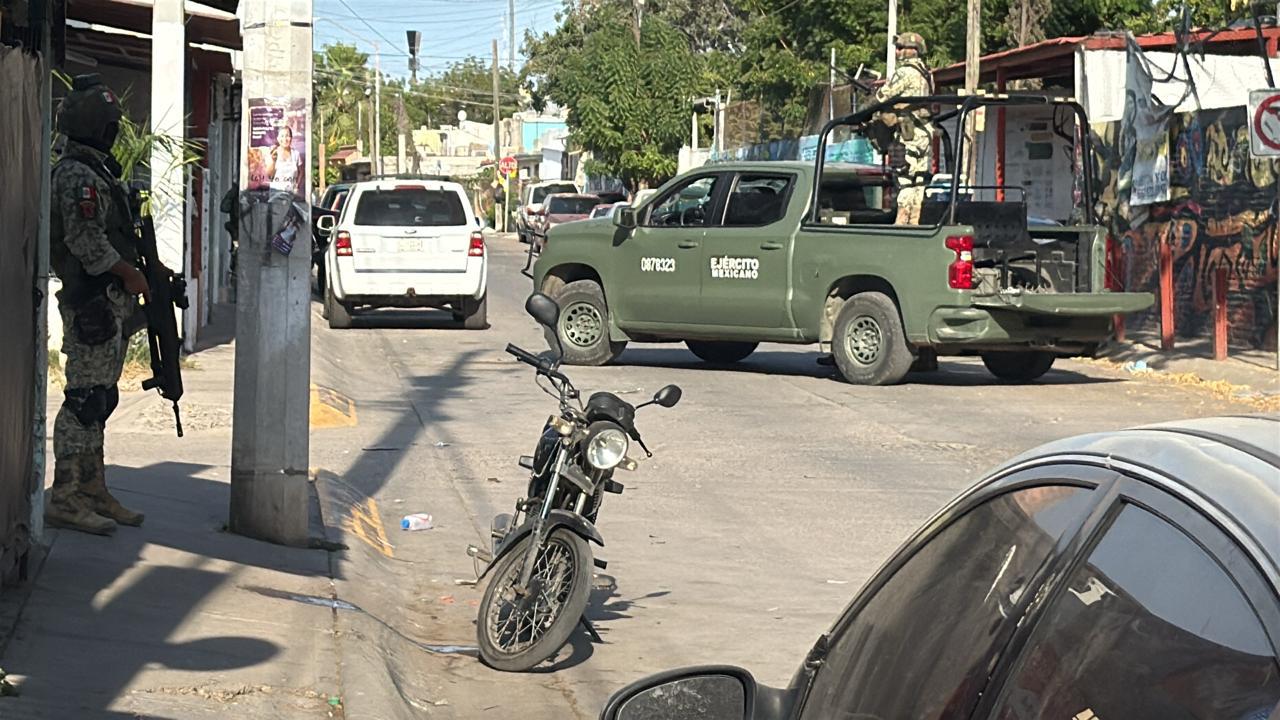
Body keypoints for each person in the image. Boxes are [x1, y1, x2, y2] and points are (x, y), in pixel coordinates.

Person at [47, 74, 150, 535]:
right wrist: (129, 275)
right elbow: (86, 243)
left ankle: (92, 490)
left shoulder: (98, 171)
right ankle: (65, 497)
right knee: (84, 400)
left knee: (102, 398)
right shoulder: (75, 174)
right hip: (89, 301)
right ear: (94, 126)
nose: (113, 133)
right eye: (109, 125)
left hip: (107, 304)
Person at [874, 31, 934, 226]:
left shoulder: (905, 72)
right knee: (919, 181)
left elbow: (883, 96)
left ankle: (902, 224)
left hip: (908, 134)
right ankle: (915, 222)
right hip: (924, 133)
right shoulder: (927, 73)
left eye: (900, 48)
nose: (898, 52)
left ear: (912, 50)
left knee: (905, 179)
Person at [265, 124, 302, 196]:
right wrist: (273, 161)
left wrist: (297, 185)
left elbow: (301, 172)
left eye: (287, 136)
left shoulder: (296, 154)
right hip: (275, 194)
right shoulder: (274, 152)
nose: (285, 139)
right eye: (282, 136)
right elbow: (269, 175)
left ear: (291, 138)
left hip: (291, 195)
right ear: (278, 138)